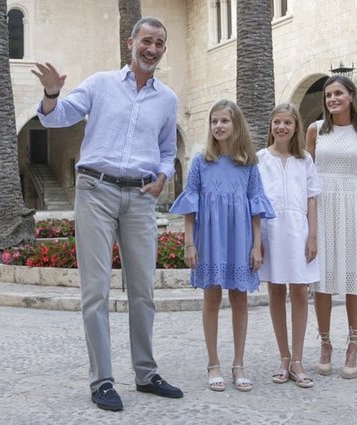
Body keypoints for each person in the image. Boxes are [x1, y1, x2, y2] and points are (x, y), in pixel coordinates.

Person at [31, 17, 183, 411]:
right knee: (95, 291)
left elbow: (167, 149)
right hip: (96, 191)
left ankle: (146, 373)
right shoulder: (100, 84)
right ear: (130, 42)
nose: (152, 48)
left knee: (143, 292)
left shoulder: (167, 99)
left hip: (140, 197)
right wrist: (51, 93)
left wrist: (164, 174)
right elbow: (57, 115)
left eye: (160, 43)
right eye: (147, 40)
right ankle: (102, 381)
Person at [169, 99, 275, 393]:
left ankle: (238, 363)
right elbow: (190, 206)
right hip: (210, 239)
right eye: (214, 121)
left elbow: (256, 209)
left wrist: (257, 246)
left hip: (240, 239)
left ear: (236, 124)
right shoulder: (201, 162)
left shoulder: (249, 164)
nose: (218, 126)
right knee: (211, 300)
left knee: (240, 299)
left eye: (224, 121)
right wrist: (189, 243)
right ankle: (213, 362)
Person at [306, 75, 357, 380]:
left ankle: (353, 345)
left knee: (352, 276)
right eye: (328, 95)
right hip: (321, 205)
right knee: (322, 278)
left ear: (351, 96)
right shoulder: (315, 130)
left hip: (350, 204)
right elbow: (306, 175)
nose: (332, 99)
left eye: (338, 93)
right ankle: (325, 344)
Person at [257, 103, 320, 389]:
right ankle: (283, 358)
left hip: (298, 230)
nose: (281, 127)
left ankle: (298, 359)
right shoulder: (260, 159)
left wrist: (313, 236)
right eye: (277, 122)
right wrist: (256, 242)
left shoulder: (304, 159)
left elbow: (311, 198)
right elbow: (255, 203)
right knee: (275, 290)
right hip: (271, 231)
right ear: (271, 126)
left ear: (296, 127)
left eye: (287, 123)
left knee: (299, 291)